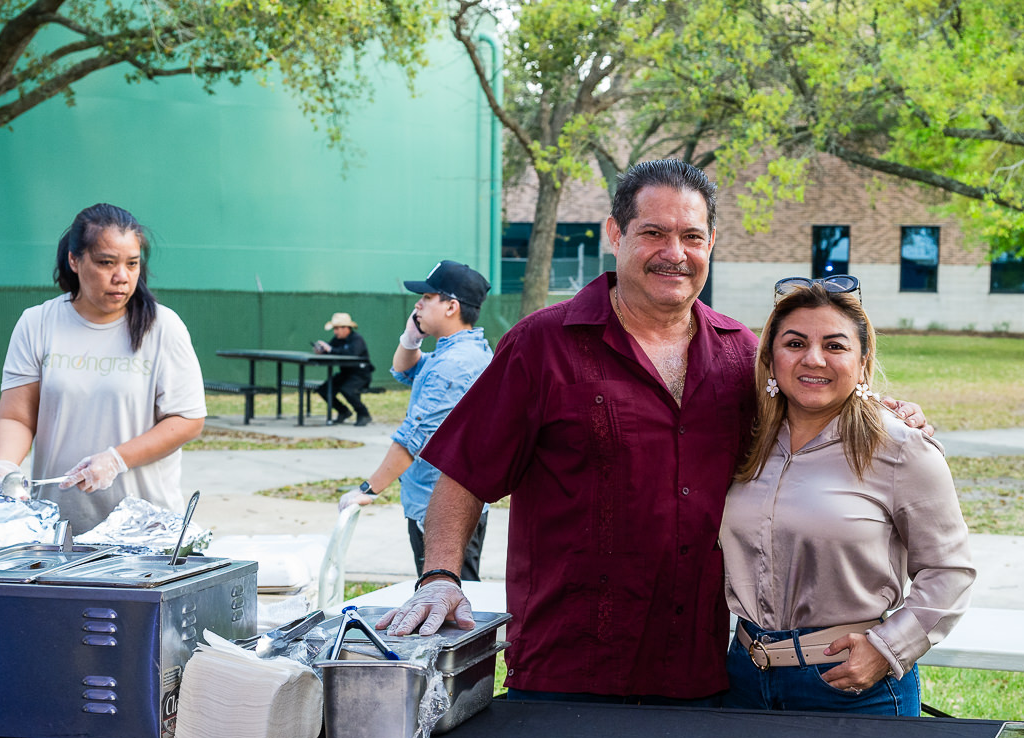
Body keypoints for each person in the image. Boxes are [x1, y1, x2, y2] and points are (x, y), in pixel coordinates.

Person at [378, 159, 929, 705]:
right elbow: (465, 471)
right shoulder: (541, 345)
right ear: (616, 234)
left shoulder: (741, 354)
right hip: (567, 671)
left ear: (711, 242)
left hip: (700, 672)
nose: (675, 253)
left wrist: (882, 410)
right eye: (654, 233)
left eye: (691, 236)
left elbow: (812, 410)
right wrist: (442, 576)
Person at [721, 276, 974, 716]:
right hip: (744, 679)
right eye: (795, 343)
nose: (813, 359)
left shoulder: (900, 448)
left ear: (863, 361)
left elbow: (949, 570)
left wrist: (889, 648)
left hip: (849, 685)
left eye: (835, 346)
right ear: (771, 357)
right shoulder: (744, 439)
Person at [0, 203, 206, 533]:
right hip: (57, 528)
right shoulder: (38, 323)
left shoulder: (163, 327)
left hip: (145, 530)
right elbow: (16, 417)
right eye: (106, 263)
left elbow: (187, 420)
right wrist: (2, 467)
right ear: (75, 260)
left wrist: (117, 459)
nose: (122, 277)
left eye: (132, 264)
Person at [338, 261, 494, 578]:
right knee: (445, 600)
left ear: (451, 306)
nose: (417, 304)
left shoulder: (455, 365)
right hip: (438, 503)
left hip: (443, 509)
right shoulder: (458, 352)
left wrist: (368, 490)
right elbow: (405, 370)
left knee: (449, 603)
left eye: (427, 297)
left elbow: (413, 440)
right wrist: (411, 338)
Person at [311, 312, 374, 426]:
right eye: (334, 329)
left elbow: (351, 354)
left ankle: (364, 414)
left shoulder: (357, 339)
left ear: (346, 328)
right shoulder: (337, 339)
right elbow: (331, 351)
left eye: (337, 328)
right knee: (324, 390)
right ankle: (343, 412)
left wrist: (329, 349)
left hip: (360, 375)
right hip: (345, 374)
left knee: (347, 390)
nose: (335, 332)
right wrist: (322, 351)